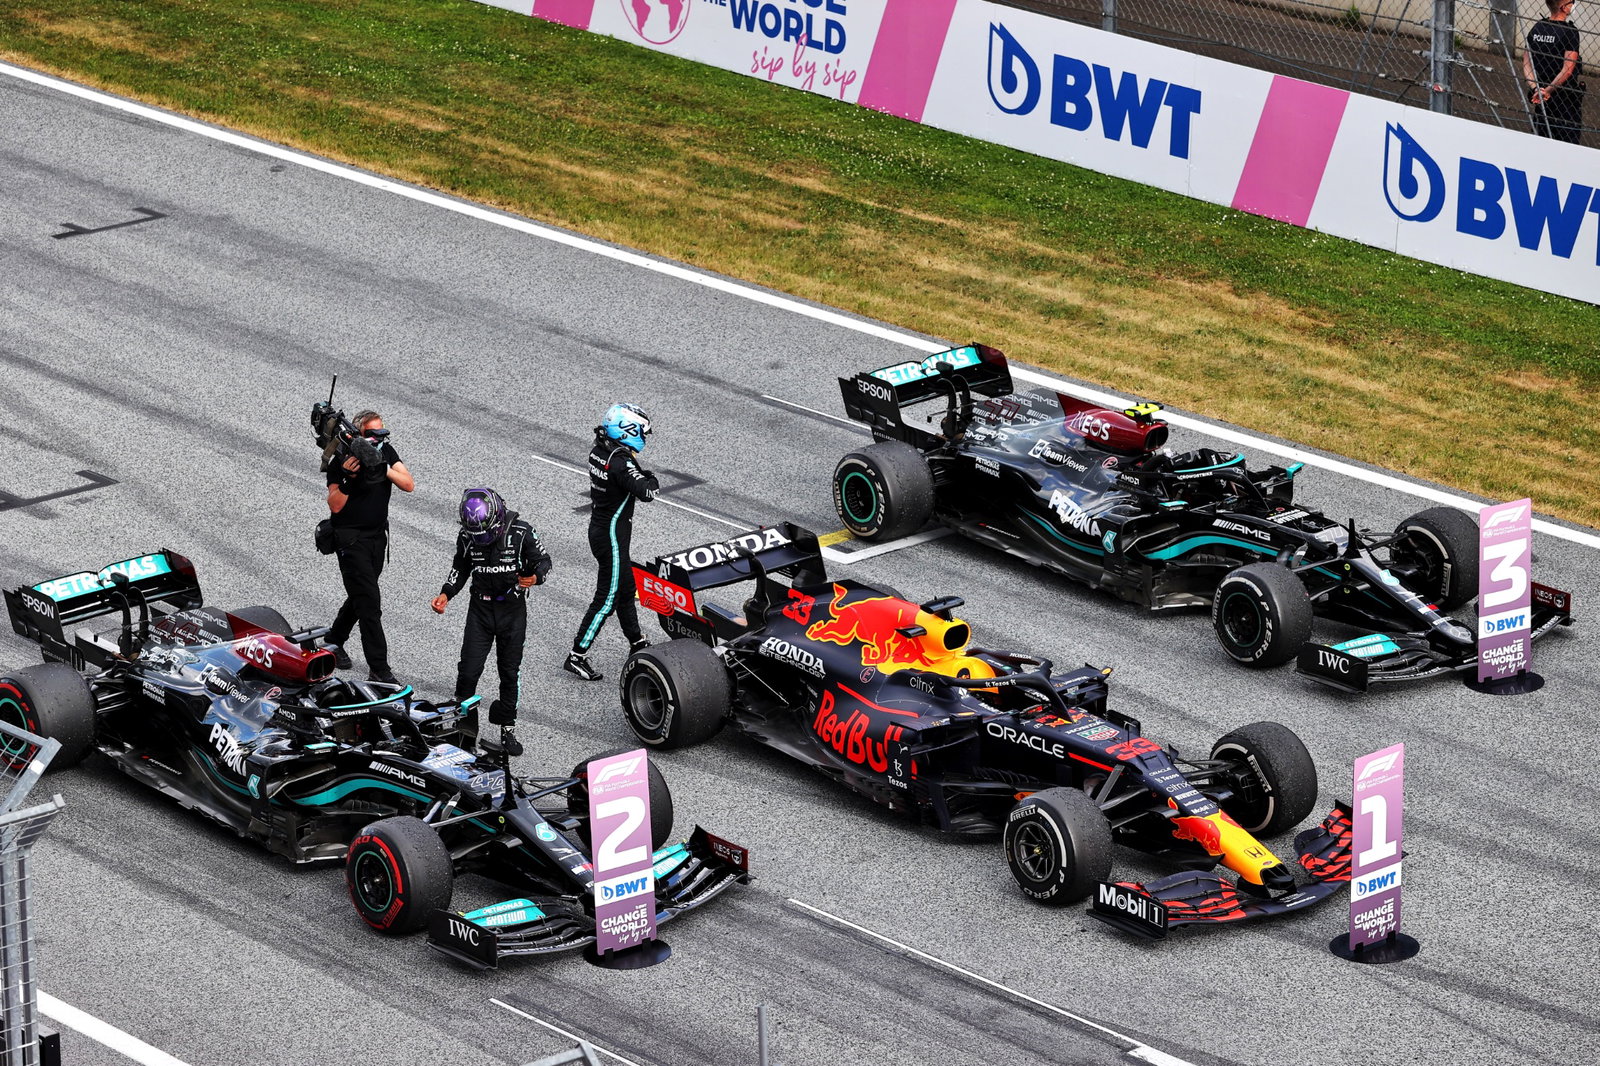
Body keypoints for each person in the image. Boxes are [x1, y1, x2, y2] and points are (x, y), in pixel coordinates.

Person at [431, 488, 551, 729]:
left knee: (509, 673)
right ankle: (463, 726)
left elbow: (544, 561)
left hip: (512, 613)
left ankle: (507, 727)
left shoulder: (521, 531)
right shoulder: (466, 536)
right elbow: (461, 567)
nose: (481, 538)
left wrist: (535, 577)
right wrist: (446, 592)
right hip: (480, 611)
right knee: (467, 671)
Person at [565, 403, 658, 681]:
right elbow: (647, 491)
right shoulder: (621, 460)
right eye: (642, 431)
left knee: (626, 590)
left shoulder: (600, 451)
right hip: (612, 538)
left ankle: (637, 642)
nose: (644, 437)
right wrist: (651, 478)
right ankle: (577, 654)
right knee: (606, 599)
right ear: (628, 430)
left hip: (602, 529)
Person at [324, 410, 413, 684]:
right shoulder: (342, 458)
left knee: (362, 595)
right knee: (370, 604)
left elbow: (408, 484)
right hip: (351, 540)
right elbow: (335, 504)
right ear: (359, 434)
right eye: (373, 434)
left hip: (376, 539)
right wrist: (350, 479)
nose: (379, 438)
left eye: (382, 432)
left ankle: (333, 641)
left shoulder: (386, 452)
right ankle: (380, 669)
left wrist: (381, 466)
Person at [1525, 0, 1586, 144]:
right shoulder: (1570, 32)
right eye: (1571, 2)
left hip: (1539, 95)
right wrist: (1549, 90)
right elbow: (1568, 69)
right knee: (1567, 141)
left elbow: (1527, 64)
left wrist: (1537, 89)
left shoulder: (1538, 28)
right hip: (1564, 98)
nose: (1573, 4)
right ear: (1563, 7)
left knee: (1542, 137)